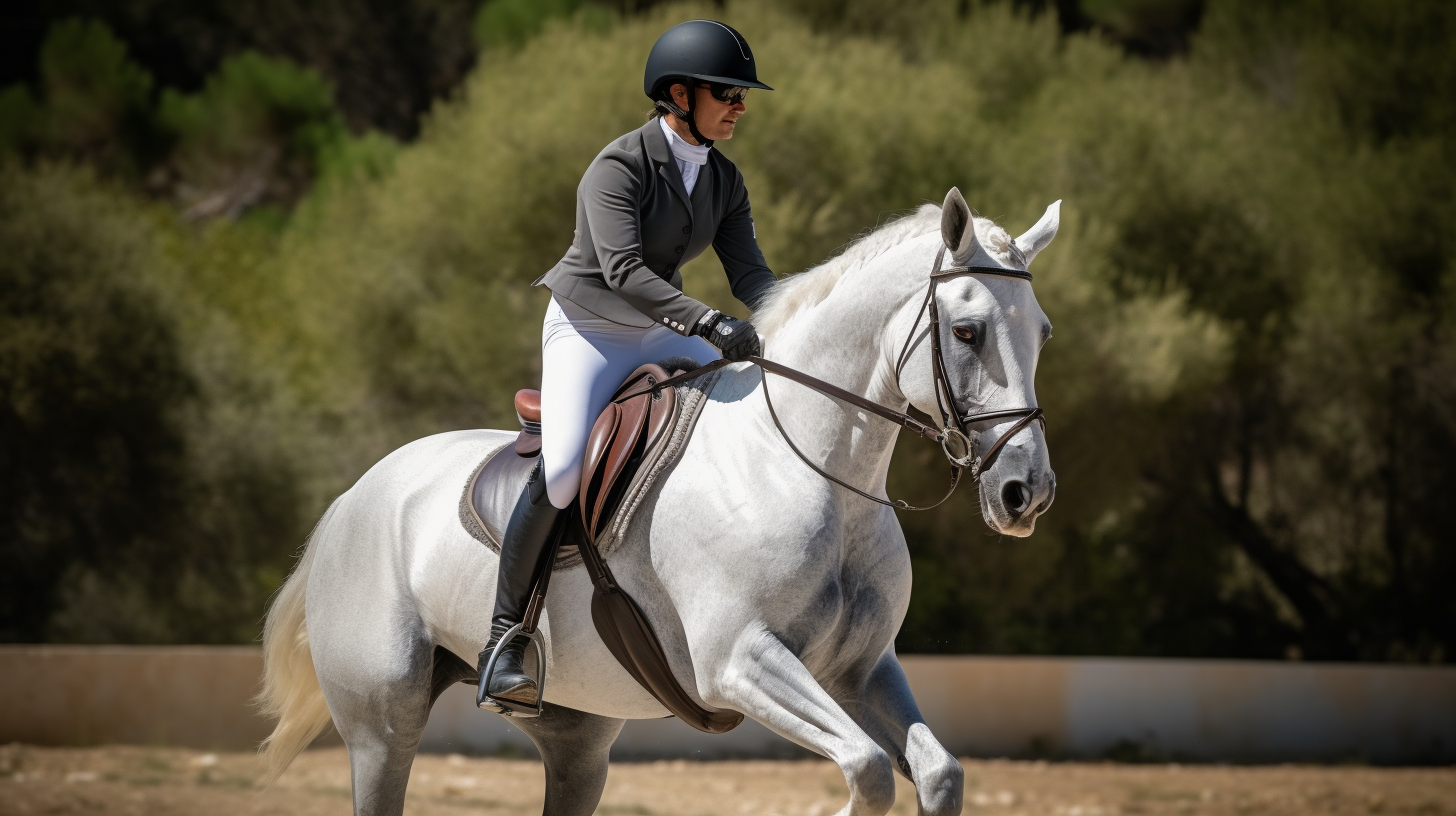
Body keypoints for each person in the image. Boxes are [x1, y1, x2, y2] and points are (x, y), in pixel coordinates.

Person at [477, 19, 777, 710]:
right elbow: (621, 270)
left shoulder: (725, 180)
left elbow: (751, 273)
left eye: (741, 96)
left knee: (744, 407)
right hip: (590, 325)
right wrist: (708, 323)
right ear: (679, 94)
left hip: (661, 327)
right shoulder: (619, 165)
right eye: (728, 93)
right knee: (559, 474)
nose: (740, 106)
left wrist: (793, 315)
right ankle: (504, 641)